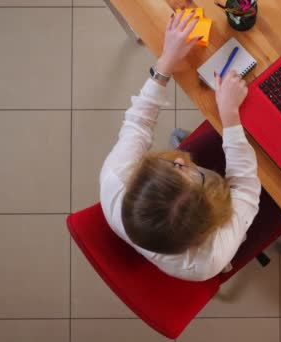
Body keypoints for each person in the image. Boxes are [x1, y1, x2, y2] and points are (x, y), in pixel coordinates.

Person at [100, 10, 260, 282]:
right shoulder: (208, 260)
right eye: (192, 174)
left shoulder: (115, 181)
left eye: (172, 165)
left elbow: (138, 123)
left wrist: (166, 63)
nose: (184, 159)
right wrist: (230, 116)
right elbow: (245, 186)